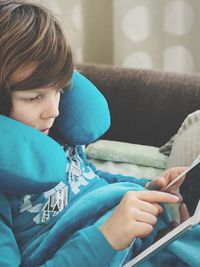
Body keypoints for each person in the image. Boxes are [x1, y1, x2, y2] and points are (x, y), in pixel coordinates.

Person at [0, 1, 198, 267]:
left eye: (59, 90)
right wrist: (106, 239)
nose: (53, 110)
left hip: (148, 240)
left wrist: (149, 188)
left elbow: (89, 180)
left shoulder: (53, 134)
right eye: (33, 97)